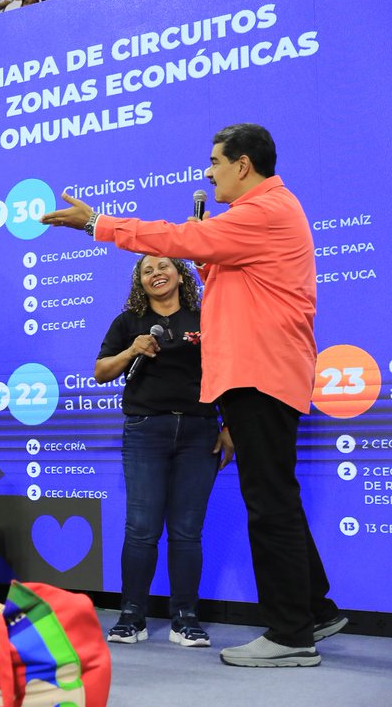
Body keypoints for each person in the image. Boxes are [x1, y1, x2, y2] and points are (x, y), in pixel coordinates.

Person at [41, 123, 346, 667]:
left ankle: (290, 635)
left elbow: (182, 240)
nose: (209, 172)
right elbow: (225, 269)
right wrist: (209, 253)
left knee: (269, 503)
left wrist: (97, 222)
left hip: (261, 374)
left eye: (215, 161)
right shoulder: (265, 214)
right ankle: (314, 610)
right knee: (278, 495)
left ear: (243, 166)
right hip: (262, 373)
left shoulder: (264, 211)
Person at [95, 255, 229, 647]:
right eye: (147, 269)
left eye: (163, 266)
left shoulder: (205, 318)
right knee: (141, 530)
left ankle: (185, 618)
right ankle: (131, 616)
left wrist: (230, 428)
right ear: (140, 281)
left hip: (200, 432)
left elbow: (229, 373)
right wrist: (130, 351)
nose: (157, 273)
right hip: (145, 432)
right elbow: (101, 371)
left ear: (180, 274)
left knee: (187, 533)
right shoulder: (128, 323)